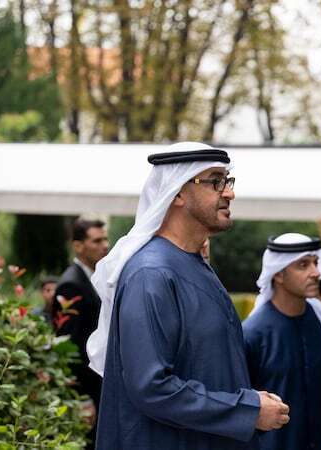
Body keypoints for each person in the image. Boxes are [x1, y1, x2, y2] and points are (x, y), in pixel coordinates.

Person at [86, 142, 289, 450]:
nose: (229, 193)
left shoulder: (192, 264)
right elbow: (152, 388)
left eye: (228, 181)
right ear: (177, 193)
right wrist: (247, 410)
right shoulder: (150, 275)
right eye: (215, 181)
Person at [243, 233, 321, 450]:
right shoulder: (252, 334)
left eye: (315, 263)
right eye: (303, 265)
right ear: (278, 274)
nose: (315, 273)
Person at [53, 218, 109, 448]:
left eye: (105, 238)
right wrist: (82, 398)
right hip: (87, 389)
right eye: (97, 240)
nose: (105, 245)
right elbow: (69, 347)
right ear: (78, 246)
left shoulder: (98, 276)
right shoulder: (71, 284)